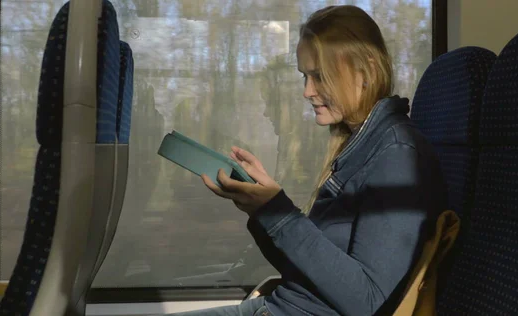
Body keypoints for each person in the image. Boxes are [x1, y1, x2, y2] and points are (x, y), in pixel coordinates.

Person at [171, 4, 447, 316]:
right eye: (305, 76)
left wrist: (276, 211)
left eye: (319, 76)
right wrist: (260, 210)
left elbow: (369, 303)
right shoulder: (359, 145)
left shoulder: (396, 155)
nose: (307, 91)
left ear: (365, 69)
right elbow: (307, 273)